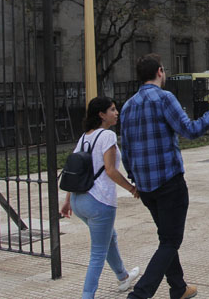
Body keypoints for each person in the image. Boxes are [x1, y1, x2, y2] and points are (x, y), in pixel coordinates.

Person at [120, 53, 209, 299]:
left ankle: (178, 287)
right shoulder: (164, 99)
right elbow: (191, 131)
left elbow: (125, 150)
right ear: (160, 72)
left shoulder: (128, 106)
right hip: (169, 183)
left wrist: (134, 179)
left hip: (146, 187)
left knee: (166, 237)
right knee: (171, 241)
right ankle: (139, 295)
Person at [60, 96, 141, 299]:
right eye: (112, 109)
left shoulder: (84, 137)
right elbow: (111, 171)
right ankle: (87, 296)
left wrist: (68, 200)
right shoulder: (107, 136)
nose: (116, 113)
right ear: (101, 114)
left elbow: (74, 171)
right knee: (97, 253)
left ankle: (123, 277)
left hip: (80, 201)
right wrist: (132, 188)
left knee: (109, 238)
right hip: (100, 202)